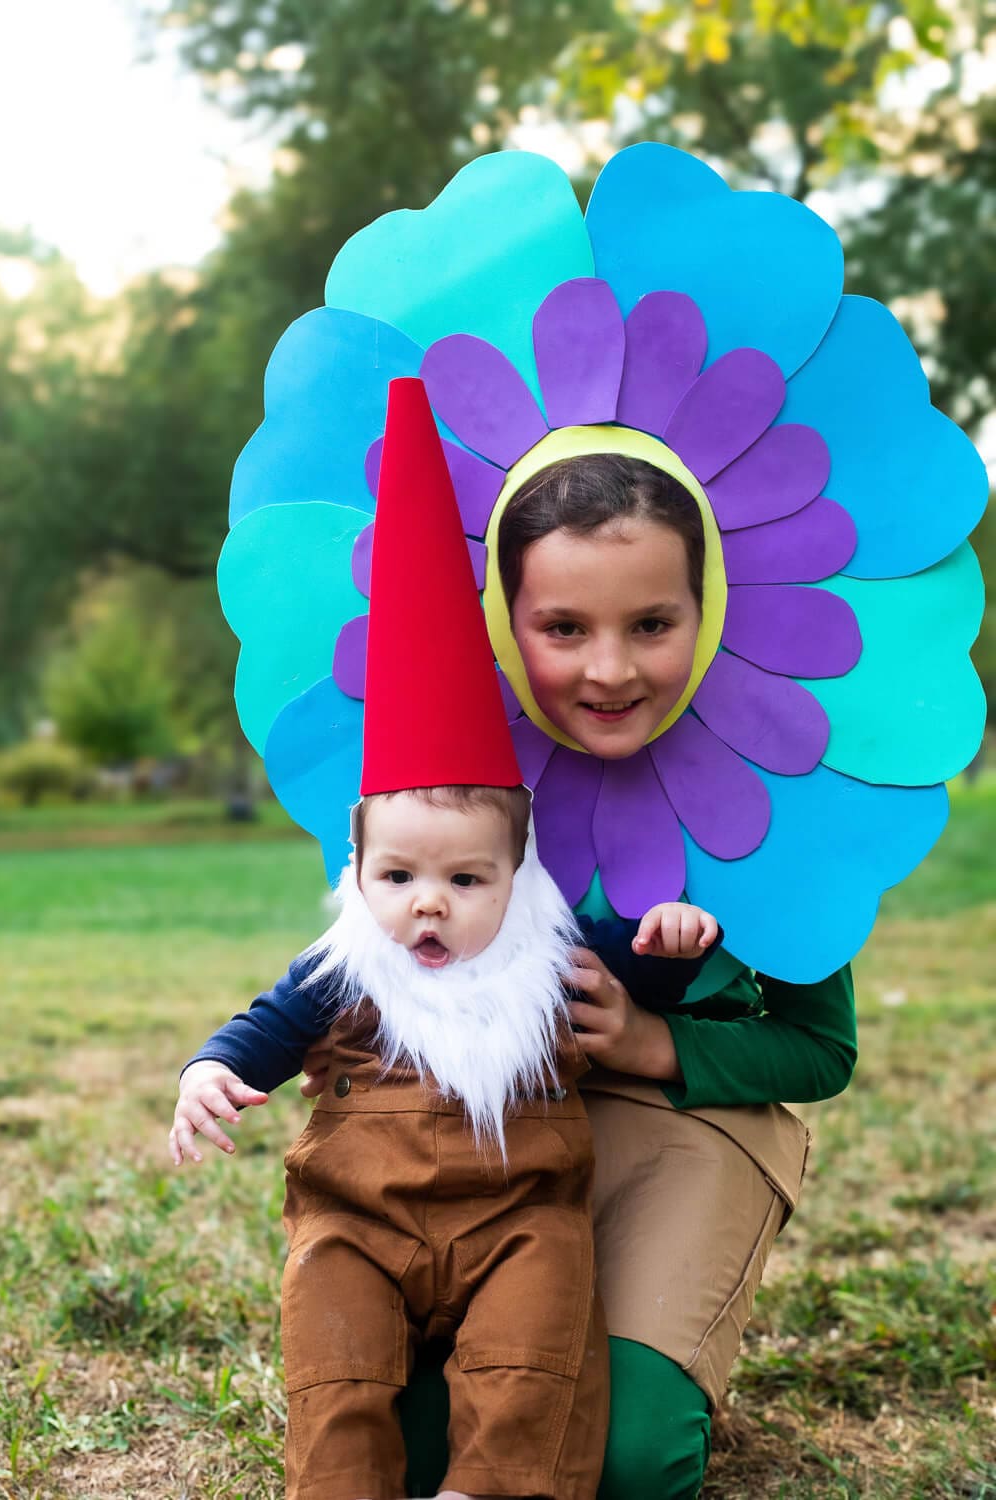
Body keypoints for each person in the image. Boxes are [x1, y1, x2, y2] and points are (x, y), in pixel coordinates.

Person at [170, 379, 723, 1500]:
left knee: (532, 1351)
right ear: (358, 876)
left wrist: (667, 941)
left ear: (517, 879)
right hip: (361, 1224)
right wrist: (209, 1071)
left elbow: (626, 956)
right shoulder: (346, 967)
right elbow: (263, 1027)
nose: (429, 904)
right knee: (335, 1360)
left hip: (517, 1217)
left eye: (465, 878)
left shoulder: (543, 955)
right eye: (400, 877)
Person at [301, 452, 858, 1500]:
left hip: (689, 1124)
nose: (609, 670)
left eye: (652, 623)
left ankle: (661, 1353)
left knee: (626, 1458)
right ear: (505, 621)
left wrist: (657, 1043)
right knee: (412, 1445)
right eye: (563, 628)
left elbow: (822, 1049)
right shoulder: (448, 786)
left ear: (710, 608)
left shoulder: (774, 787)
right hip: (492, 1136)